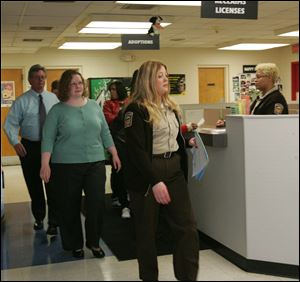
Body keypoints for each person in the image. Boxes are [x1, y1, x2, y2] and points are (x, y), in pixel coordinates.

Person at [124, 61, 199, 281]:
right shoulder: (135, 110)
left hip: (174, 170)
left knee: (187, 228)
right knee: (146, 233)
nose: (166, 79)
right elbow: (136, 151)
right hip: (147, 174)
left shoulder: (171, 107)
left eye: (166, 75)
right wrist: (155, 181)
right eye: (160, 76)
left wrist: (187, 140)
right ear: (147, 80)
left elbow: (172, 137)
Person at [40, 69, 121, 259]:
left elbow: (105, 133)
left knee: (96, 204)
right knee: (69, 205)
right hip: (65, 165)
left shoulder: (94, 106)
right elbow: (48, 138)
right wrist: (45, 164)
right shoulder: (57, 110)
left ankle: (93, 242)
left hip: (95, 163)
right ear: (65, 87)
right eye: (72, 83)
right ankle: (74, 243)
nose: (77, 86)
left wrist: (114, 153)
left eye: (79, 83)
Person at [3, 64, 59, 235]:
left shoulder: (54, 99)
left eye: (43, 77)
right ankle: (39, 218)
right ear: (29, 80)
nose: (40, 80)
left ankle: (54, 222)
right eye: (36, 77)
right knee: (34, 184)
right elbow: (9, 124)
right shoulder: (22, 101)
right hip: (30, 147)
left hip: (51, 146)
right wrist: (15, 142)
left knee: (53, 185)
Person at [216, 63, 289, 127]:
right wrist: (227, 123)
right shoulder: (260, 98)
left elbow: (272, 124)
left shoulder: (276, 99)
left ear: (269, 77)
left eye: (258, 77)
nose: (255, 80)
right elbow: (249, 118)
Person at [103, 81, 130, 218]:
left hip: (130, 141)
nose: (112, 92)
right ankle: (117, 196)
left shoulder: (128, 101)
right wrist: (122, 113)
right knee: (117, 169)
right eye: (111, 89)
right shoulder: (108, 104)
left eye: (114, 89)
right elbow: (110, 120)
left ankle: (126, 197)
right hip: (116, 141)